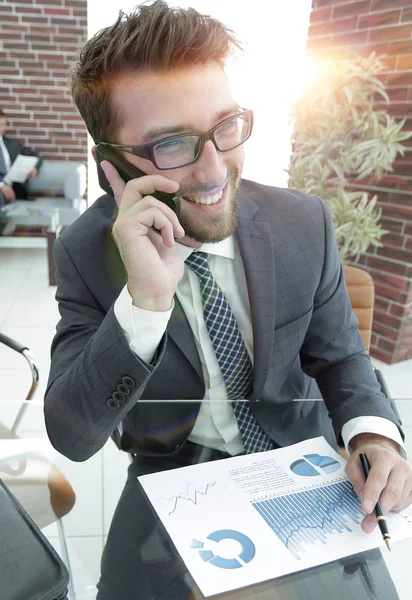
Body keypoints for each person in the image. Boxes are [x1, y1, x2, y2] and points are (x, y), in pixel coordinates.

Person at [43, 2, 412, 598]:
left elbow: (341, 358)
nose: (215, 172)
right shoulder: (86, 251)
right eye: (171, 144)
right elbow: (72, 437)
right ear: (110, 166)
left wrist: (372, 434)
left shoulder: (302, 222)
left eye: (226, 126)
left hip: (303, 466)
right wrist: (144, 303)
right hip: (173, 476)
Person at [0, 109, 42, 205]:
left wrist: (34, 168)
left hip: (16, 189)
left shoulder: (13, 144)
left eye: (3, 124)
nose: (1, 128)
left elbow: (36, 156)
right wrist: (1, 185)